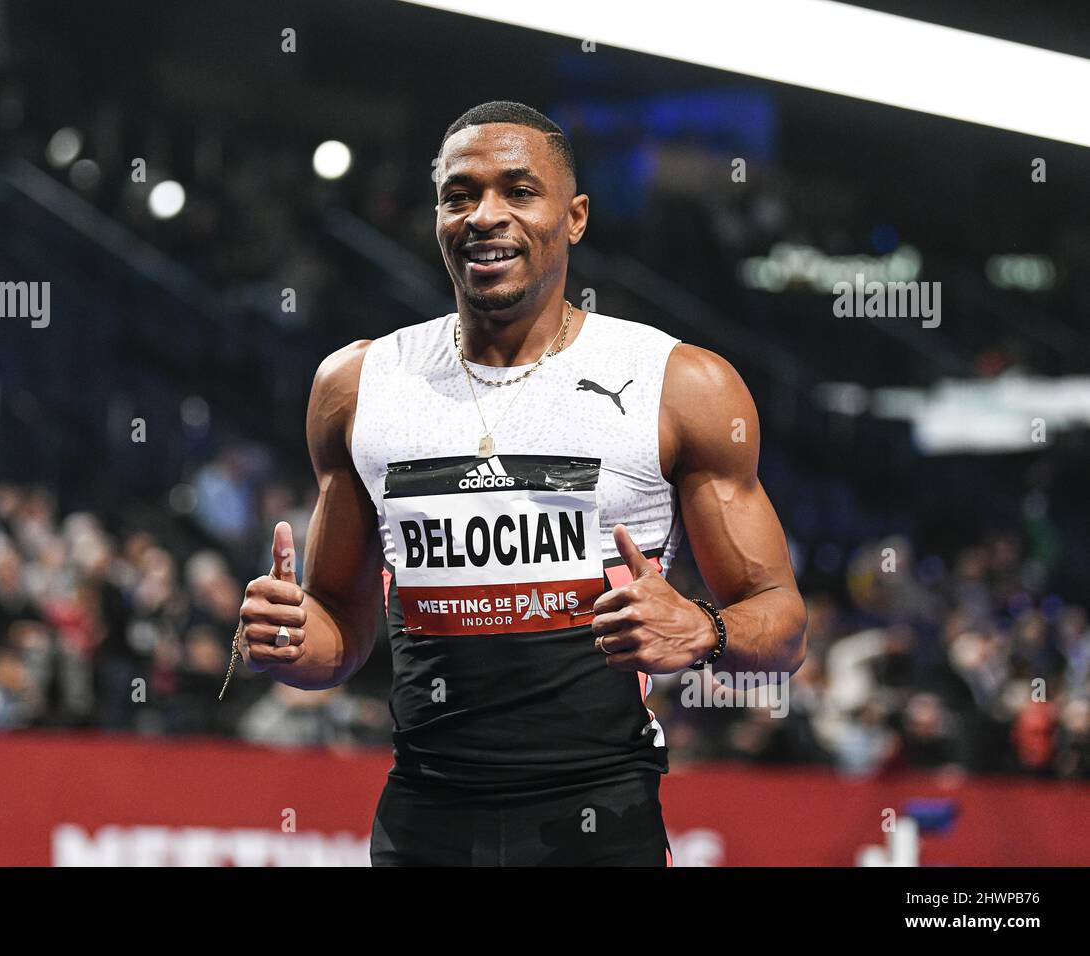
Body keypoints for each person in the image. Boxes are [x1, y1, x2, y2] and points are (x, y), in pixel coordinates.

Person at [235, 101, 807, 866]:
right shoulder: (357, 384)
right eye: (459, 195)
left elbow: (783, 624)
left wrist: (707, 629)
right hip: (424, 825)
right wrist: (294, 643)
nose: (484, 216)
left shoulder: (680, 384)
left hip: (600, 822)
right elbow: (340, 633)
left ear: (574, 217)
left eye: (518, 191)